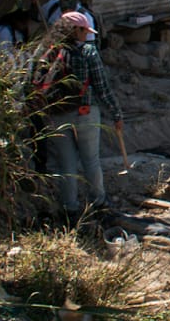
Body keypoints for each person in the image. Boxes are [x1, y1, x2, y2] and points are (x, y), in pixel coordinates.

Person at [37, 11, 124, 220]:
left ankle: (70, 209)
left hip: (56, 116)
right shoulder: (87, 52)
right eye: (84, 31)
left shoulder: (47, 52)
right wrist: (116, 113)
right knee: (91, 160)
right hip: (85, 113)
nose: (87, 35)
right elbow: (102, 88)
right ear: (75, 30)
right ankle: (99, 202)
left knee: (66, 165)